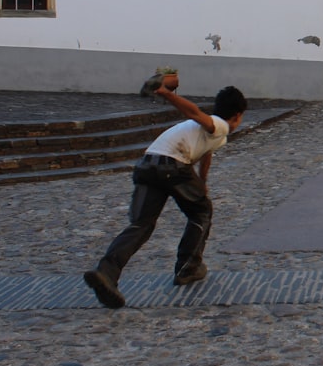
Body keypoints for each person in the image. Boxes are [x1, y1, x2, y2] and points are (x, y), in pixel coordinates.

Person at [83, 76, 247, 308]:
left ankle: (106, 273)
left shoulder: (213, 135)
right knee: (202, 212)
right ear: (238, 115)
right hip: (173, 165)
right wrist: (167, 94)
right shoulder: (220, 124)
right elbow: (194, 113)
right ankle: (187, 267)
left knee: (142, 224)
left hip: (147, 166)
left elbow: (206, 152)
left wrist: (202, 181)